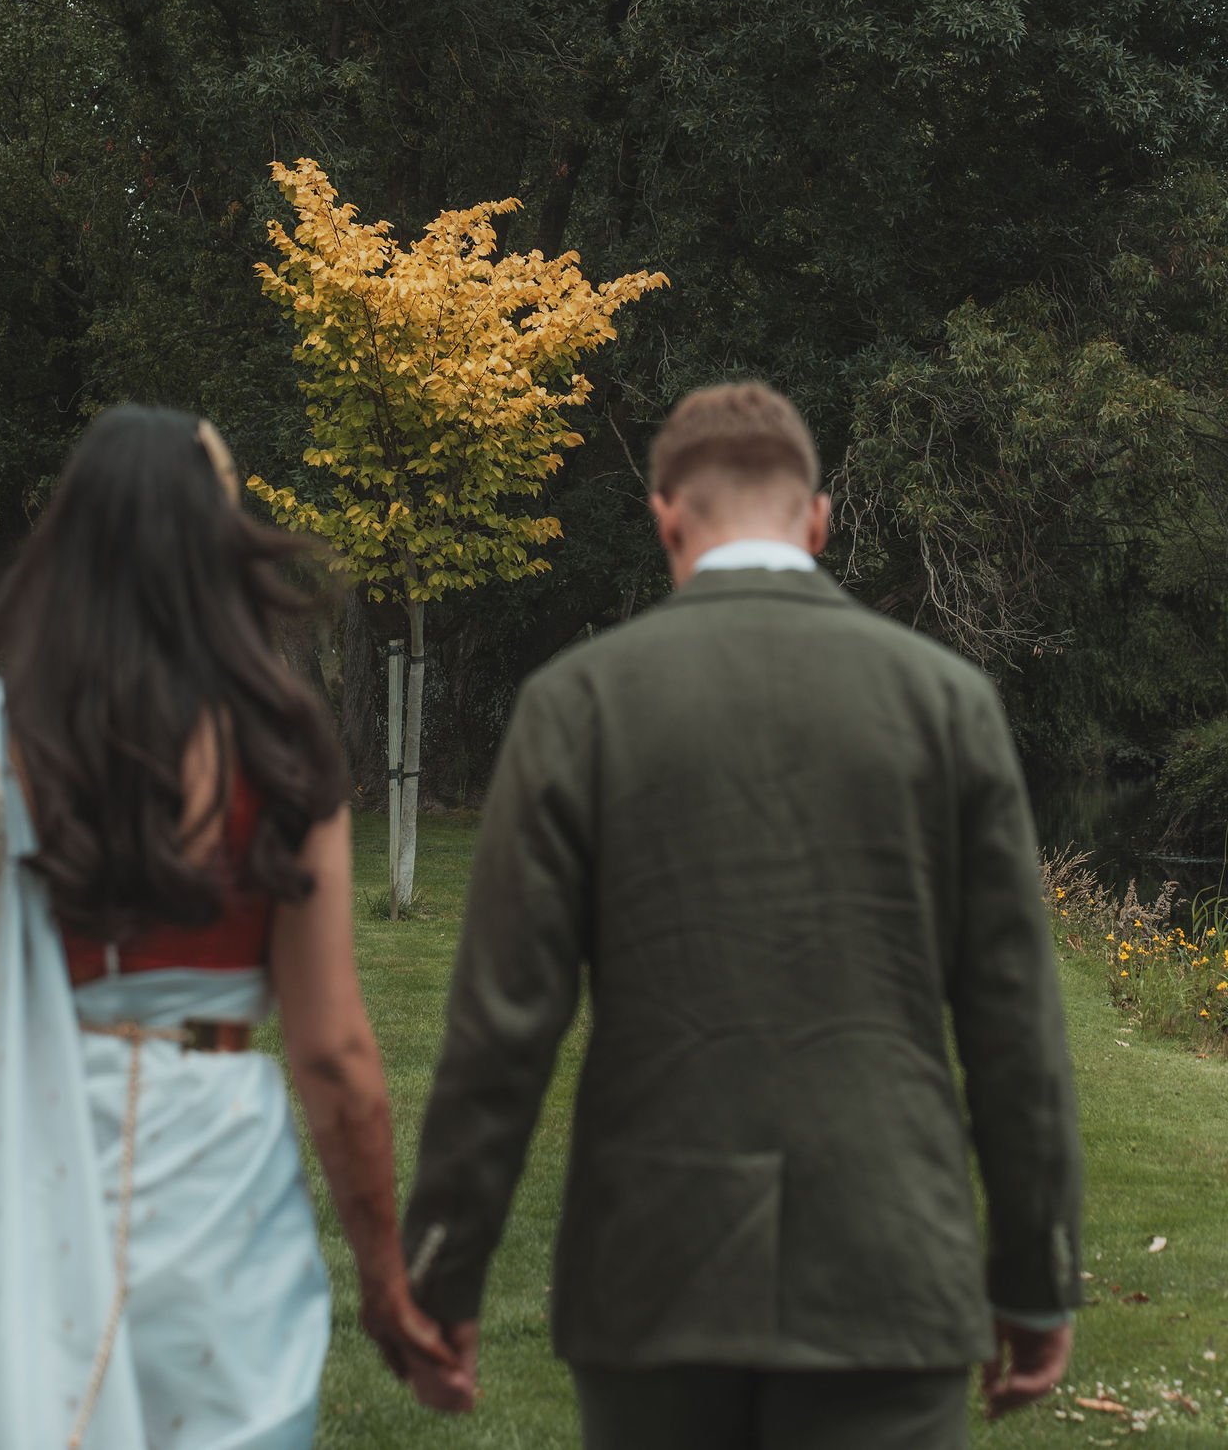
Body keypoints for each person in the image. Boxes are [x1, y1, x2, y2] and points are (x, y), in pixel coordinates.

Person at [403, 381, 1082, 1449]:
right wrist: (1036, 1278)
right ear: (814, 520)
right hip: (887, 1259)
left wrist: (441, 1269)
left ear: (665, 515)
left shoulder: (577, 703)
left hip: (655, 1270)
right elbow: (1016, 1032)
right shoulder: (947, 702)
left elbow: (501, 1027)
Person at [0, 404, 467, 1450]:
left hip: (6, 1198)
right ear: (220, 550)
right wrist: (385, 1279)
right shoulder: (280, 752)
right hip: (213, 1183)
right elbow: (335, 1054)